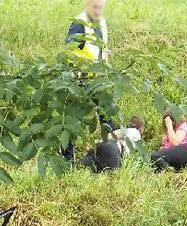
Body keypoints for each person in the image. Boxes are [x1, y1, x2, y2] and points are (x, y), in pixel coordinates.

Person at [62, 0, 110, 163]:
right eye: (95, 7)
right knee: (73, 120)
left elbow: (102, 50)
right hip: (79, 81)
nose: (98, 10)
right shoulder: (79, 23)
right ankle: (67, 160)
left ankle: (112, 154)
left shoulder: (102, 22)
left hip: (98, 79)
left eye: (101, 7)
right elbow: (68, 50)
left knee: (107, 116)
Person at [81, 115, 145, 173]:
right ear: (141, 128)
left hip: (111, 147)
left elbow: (112, 135)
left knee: (78, 167)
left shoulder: (133, 132)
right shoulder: (135, 133)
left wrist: (96, 143)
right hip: (116, 160)